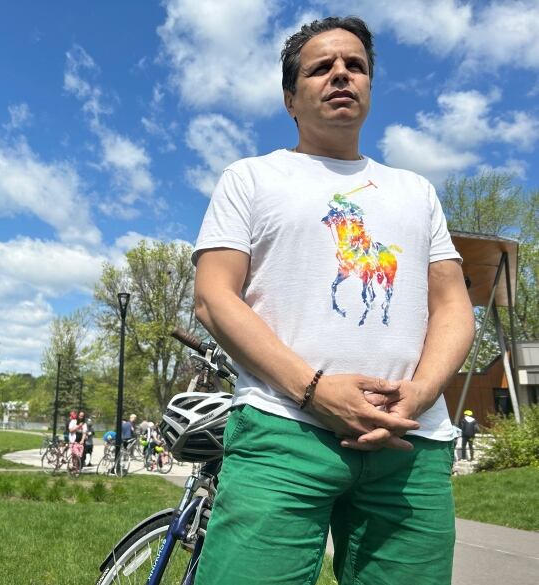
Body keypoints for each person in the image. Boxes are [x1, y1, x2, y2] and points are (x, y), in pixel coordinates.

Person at [191, 16, 475, 585]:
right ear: (290, 98)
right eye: (321, 67)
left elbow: (453, 308)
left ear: (369, 86)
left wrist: (418, 394)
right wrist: (316, 390)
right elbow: (214, 297)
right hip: (283, 429)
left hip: (409, 443)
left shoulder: (416, 191)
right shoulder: (250, 178)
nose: (341, 74)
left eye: (356, 66)